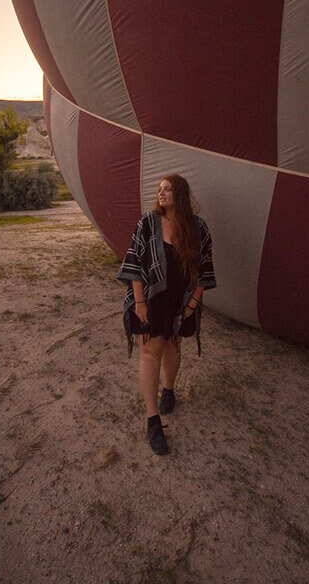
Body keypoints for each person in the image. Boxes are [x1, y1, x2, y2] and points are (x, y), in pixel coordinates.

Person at [117, 174, 216, 455]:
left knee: (173, 346)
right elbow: (134, 261)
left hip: (181, 300)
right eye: (159, 189)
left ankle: (169, 390)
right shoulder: (147, 223)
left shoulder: (198, 229)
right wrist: (139, 302)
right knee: (150, 352)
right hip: (150, 299)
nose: (162, 193)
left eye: (168, 189)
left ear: (181, 194)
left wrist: (191, 306)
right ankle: (152, 421)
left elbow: (205, 271)